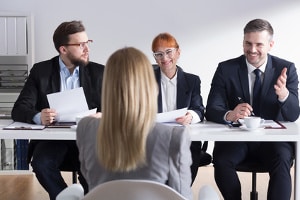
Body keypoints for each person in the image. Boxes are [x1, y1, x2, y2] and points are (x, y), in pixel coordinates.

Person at [76, 47, 193, 200]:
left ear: (107, 85)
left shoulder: (85, 127)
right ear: (150, 85)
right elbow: (182, 196)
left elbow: (89, 179)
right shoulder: (174, 136)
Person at [205, 18, 300, 200]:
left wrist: (284, 95)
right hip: (236, 139)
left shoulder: (286, 68)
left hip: (274, 142)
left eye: (259, 44)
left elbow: (293, 114)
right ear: (243, 42)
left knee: (282, 160)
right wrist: (230, 114)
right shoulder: (226, 69)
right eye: (248, 43)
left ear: (270, 45)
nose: (252, 49)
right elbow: (211, 108)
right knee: (222, 160)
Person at [11, 20, 104, 200]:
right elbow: (19, 108)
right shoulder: (41, 71)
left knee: (94, 169)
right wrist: (39, 116)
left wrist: (102, 115)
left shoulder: (99, 72)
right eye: (81, 45)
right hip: (53, 138)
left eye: (88, 43)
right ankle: (65, 197)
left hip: (88, 138)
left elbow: (115, 109)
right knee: (41, 163)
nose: (87, 49)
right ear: (63, 49)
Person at [151, 32, 209, 183]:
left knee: (181, 182)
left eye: (169, 52)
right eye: (159, 54)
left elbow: (199, 109)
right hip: (155, 138)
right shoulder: (146, 78)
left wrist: (190, 116)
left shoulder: (192, 80)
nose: (164, 58)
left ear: (178, 52)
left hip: (184, 138)